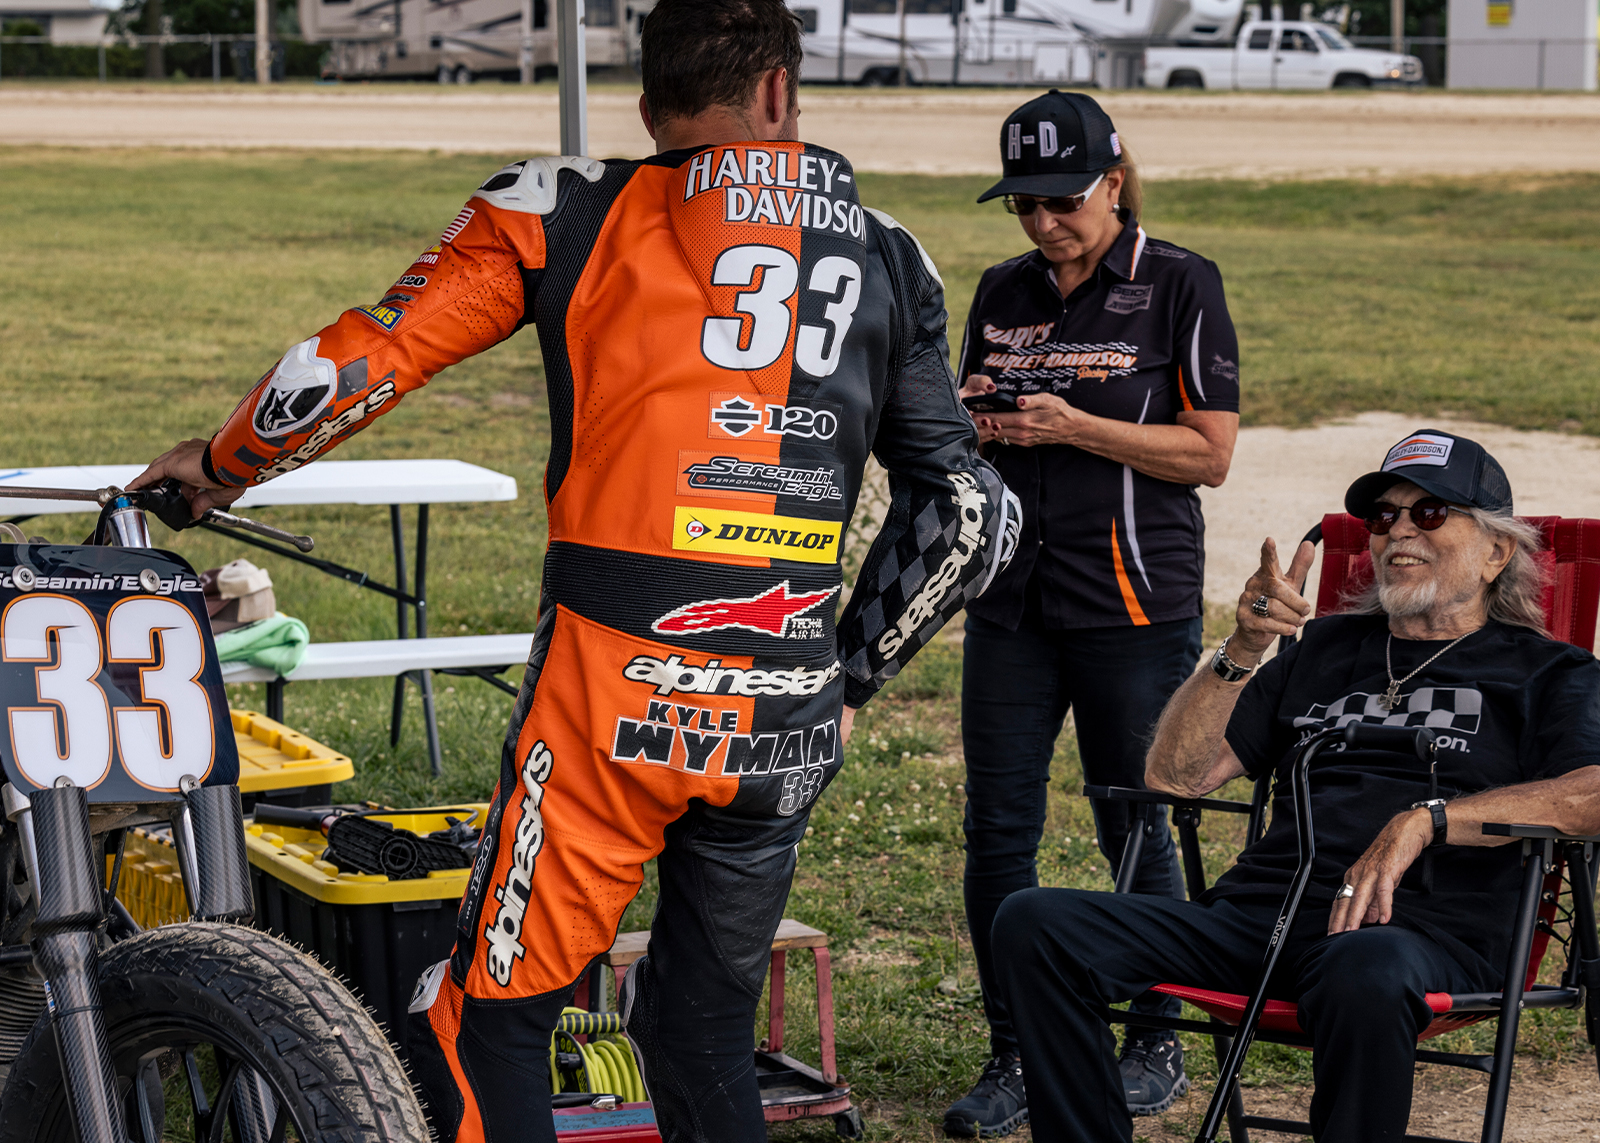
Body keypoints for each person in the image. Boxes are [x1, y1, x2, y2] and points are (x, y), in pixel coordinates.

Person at [129, 2, 1019, 1139]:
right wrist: (846, 677)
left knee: (487, 1025)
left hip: (610, 698)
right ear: (783, 96)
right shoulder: (892, 251)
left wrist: (221, 465)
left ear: (646, 106)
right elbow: (971, 513)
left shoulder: (561, 203)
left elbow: (362, 361)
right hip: (782, 712)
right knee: (702, 1033)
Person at [990, 429, 1600, 1142]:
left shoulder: (1549, 672)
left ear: (1498, 551)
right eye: (1383, 517)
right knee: (1036, 922)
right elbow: (1175, 775)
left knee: (1363, 966)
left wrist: (1426, 820)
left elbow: (1590, 791)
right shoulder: (1326, 649)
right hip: (1260, 924)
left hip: (1419, 935)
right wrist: (1244, 647)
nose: (1399, 530)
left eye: (1430, 512)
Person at [943, 90, 1240, 1136]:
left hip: (1131, 603)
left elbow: (1208, 454)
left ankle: (1154, 1033)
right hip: (1010, 603)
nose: (1041, 224)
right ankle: (1013, 1051)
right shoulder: (1000, 289)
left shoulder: (1178, 283)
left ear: (1114, 180)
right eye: (1021, 204)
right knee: (997, 835)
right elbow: (965, 419)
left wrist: (1076, 427)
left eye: (1061, 200)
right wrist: (978, 431)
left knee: (1137, 818)